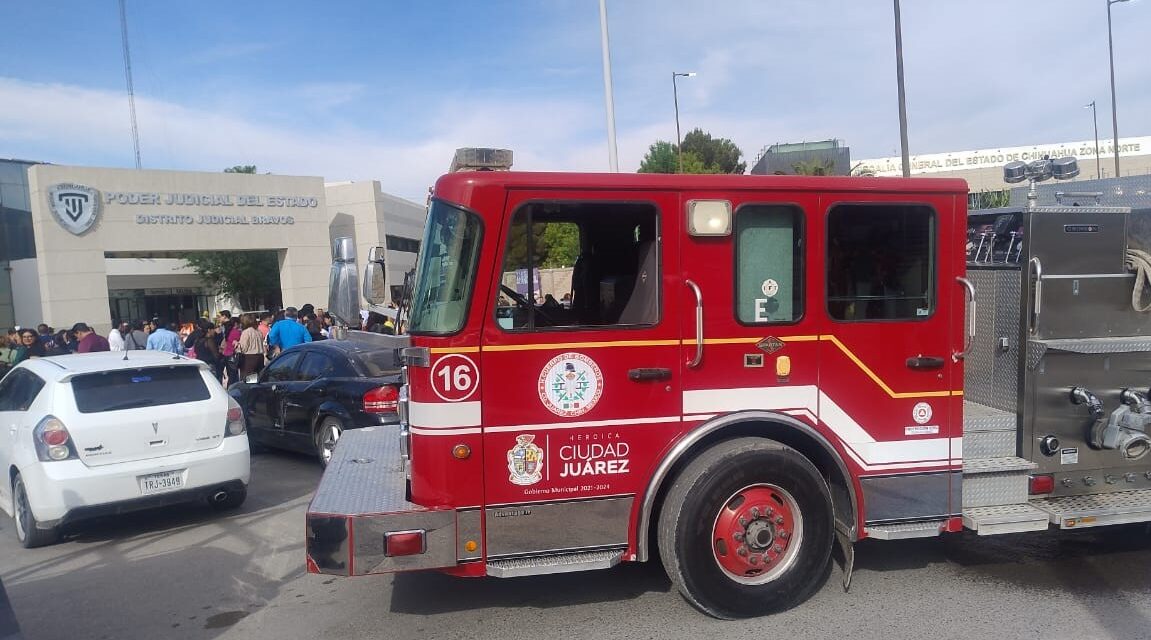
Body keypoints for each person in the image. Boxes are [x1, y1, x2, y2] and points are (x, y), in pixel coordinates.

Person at [237, 314, 266, 380]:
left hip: (249, 358)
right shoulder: (258, 332)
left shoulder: (246, 332)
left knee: (249, 380)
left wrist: (237, 345)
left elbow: (243, 348)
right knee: (258, 378)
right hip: (260, 357)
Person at [219, 316, 242, 385]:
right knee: (234, 376)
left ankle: (230, 389)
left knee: (231, 375)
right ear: (236, 324)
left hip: (226, 355)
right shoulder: (237, 332)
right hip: (233, 355)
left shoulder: (228, 331)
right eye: (239, 323)